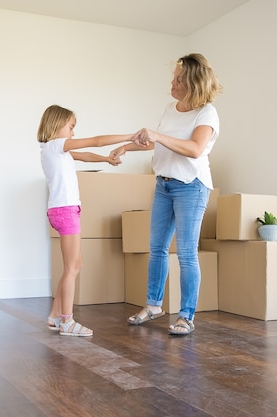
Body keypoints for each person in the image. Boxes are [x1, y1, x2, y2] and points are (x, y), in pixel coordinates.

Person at [111, 53, 222, 335]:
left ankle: (186, 315)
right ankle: (154, 305)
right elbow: (158, 144)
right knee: (157, 248)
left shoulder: (206, 113)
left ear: (193, 83)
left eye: (179, 79)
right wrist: (127, 147)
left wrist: (157, 136)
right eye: (173, 76)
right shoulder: (171, 108)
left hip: (191, 186)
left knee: (186, 253)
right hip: (164, 185)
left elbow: (195, 149)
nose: (172, 83)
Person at [38, 104, 134, 337]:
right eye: (71, 127)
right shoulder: (56, 145)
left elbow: (86, 155)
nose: (73, 133)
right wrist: (130, 136)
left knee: (74, 265)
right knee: (72, 267)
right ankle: (67, 321)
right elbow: (97, 140)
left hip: (66, 210)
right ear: (57, 125)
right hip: (65, 211)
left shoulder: (56, 150)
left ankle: (54, 316)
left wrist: (107, 160)